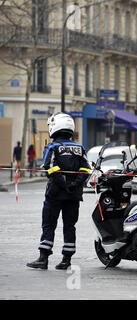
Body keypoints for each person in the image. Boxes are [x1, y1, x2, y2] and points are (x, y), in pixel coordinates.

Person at [26, 113, 91, 270]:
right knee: (70, 226)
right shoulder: (79, 148)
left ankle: (43, 259)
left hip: (55, 194)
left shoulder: (53, 147)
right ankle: (66, 260)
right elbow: (85, 169)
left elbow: (50, 167)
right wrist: (74, 184)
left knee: (48, 224)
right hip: (74, 195)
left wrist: (63, 184)